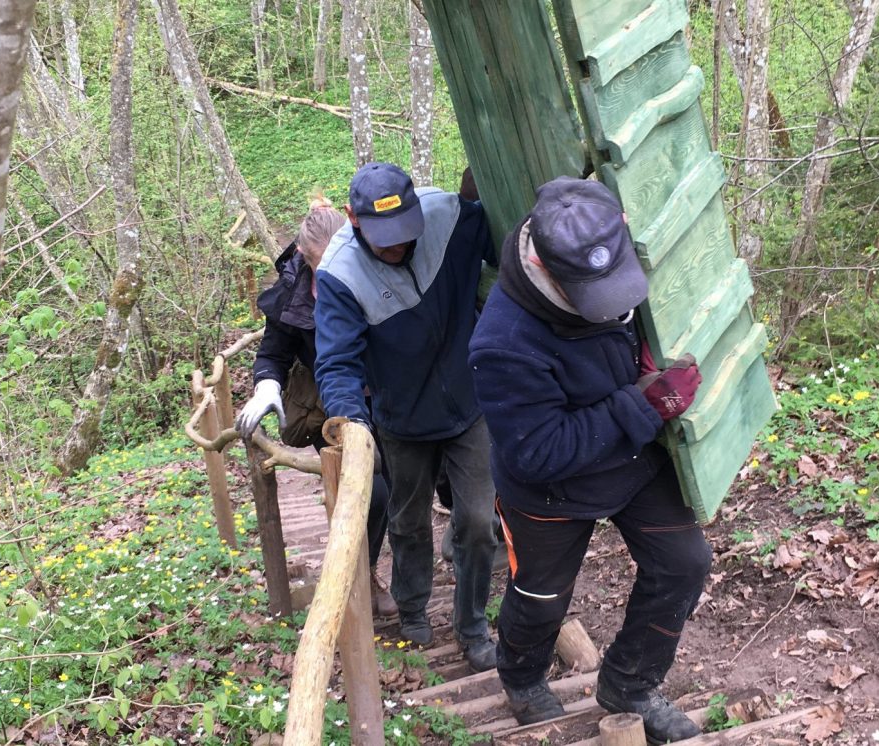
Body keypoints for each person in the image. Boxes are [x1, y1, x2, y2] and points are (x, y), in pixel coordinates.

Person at [468, 177, 711, 742]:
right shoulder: (503, 343)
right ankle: (522, 679)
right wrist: (644, 404)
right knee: (541, 596)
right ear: (545, 265)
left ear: (620, 227)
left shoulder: (603, 222)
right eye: (593, 294)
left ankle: (629, 685)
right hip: (549, 489)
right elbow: (538, 451)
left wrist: (650, 357)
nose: (613, 305)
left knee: (684, 563)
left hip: (632, 459)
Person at [313, 162, 500, 671]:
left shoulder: (449, 217)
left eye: (404, 231)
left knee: (478, 520)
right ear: (353, 219)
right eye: (384, 237)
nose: (397, 245)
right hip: (402, 415)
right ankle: (413, 605)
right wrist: (350, 424)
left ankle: (472, 625)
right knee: (409, 519)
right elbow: (336, 362)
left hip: (469, 399)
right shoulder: (340, 274)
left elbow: (508, 244)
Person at [234, 197, 396, 618]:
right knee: (371, 490)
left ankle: (384, 572)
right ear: (305, 258)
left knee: (394, 488)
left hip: (387, 395)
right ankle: (361, 577)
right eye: (323, 266)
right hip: (333, 406)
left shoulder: (376, 266)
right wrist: (266, 387)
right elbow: (273, 353)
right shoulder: (294, 293)